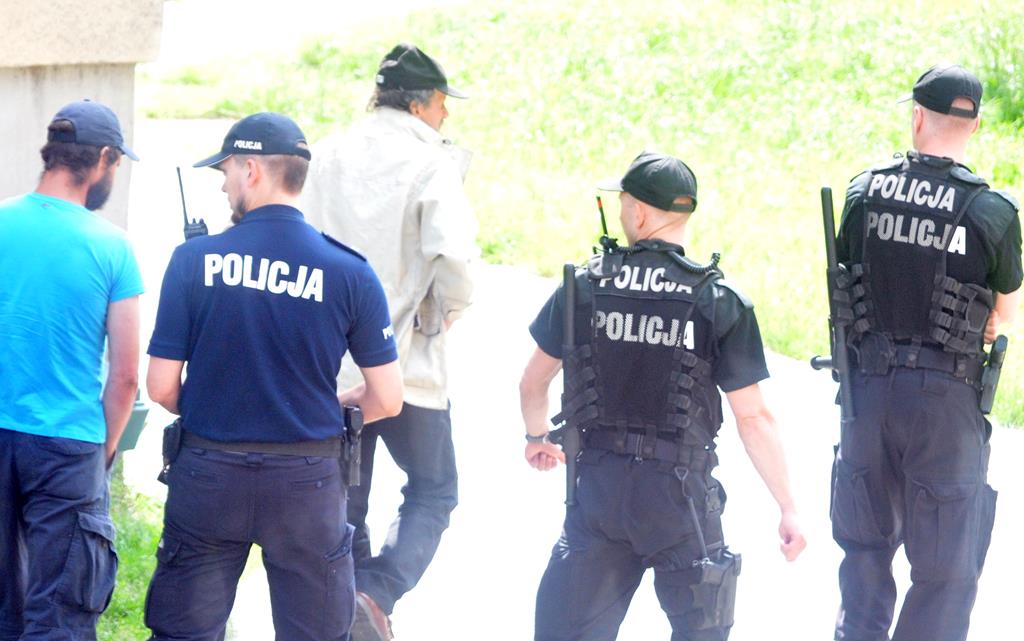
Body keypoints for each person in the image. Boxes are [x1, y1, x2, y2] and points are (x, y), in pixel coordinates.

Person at [520, 152, 806, 641]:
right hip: (680, 498)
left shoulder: (584, 285)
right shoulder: (717, 300)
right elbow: (754, 417)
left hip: (600, 491)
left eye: (623, 202)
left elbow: (533, 382)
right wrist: (788, 506)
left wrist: (536, 437)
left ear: (639, 213)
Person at [142, 112, 403, 641]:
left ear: (252, 169)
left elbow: (161, 387)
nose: (223, 185)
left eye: (226, 171)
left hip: (209, 475)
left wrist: (219, 402)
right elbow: (389, 398)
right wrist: (322, 411)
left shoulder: (195, 260)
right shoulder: (350, 271)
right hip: (307, 483)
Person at [831, 64, 1022, 641]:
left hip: (866, 394)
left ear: (917, 117)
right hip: (945, 404)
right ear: (976, 124)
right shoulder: (992, 212)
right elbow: (1003, 319)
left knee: (864, 554)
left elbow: (845, 285)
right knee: (946, 570)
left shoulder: (863, 192)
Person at [301, 43, 477, 641]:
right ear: (422, 104)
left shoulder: (326, 153)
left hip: (330, 365)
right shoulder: (432, 162)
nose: (447, 115)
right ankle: (374, 594)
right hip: (407, 364)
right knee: (434, 489)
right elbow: (455, 262)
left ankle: (345, 609)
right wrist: (446, 313)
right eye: (444, 104)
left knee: (345, 500)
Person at [0, 100, 143, 640]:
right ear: (103, 159)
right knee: (60, 611)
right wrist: (102, 452)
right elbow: (125, 375)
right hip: (67, 446)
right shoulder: (113, 247)